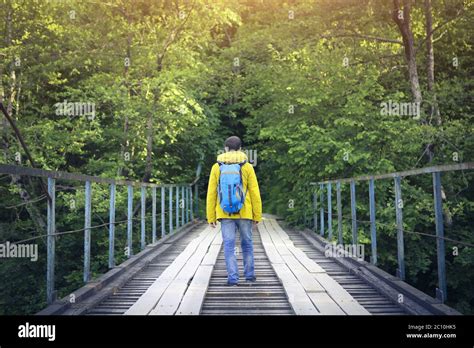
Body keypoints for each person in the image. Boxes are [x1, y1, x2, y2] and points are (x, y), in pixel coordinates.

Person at [206, 136, 262, 286]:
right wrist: (257, 215)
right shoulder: (247, 166)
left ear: (225, 148)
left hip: (225, 213)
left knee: (229, 245)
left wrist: (211, 216)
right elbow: (254, 191)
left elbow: (212, 193)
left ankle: (233, 278)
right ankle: (249, 276)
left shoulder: (217, 167)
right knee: (247, 243)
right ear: (240, 149)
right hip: (245, 212)